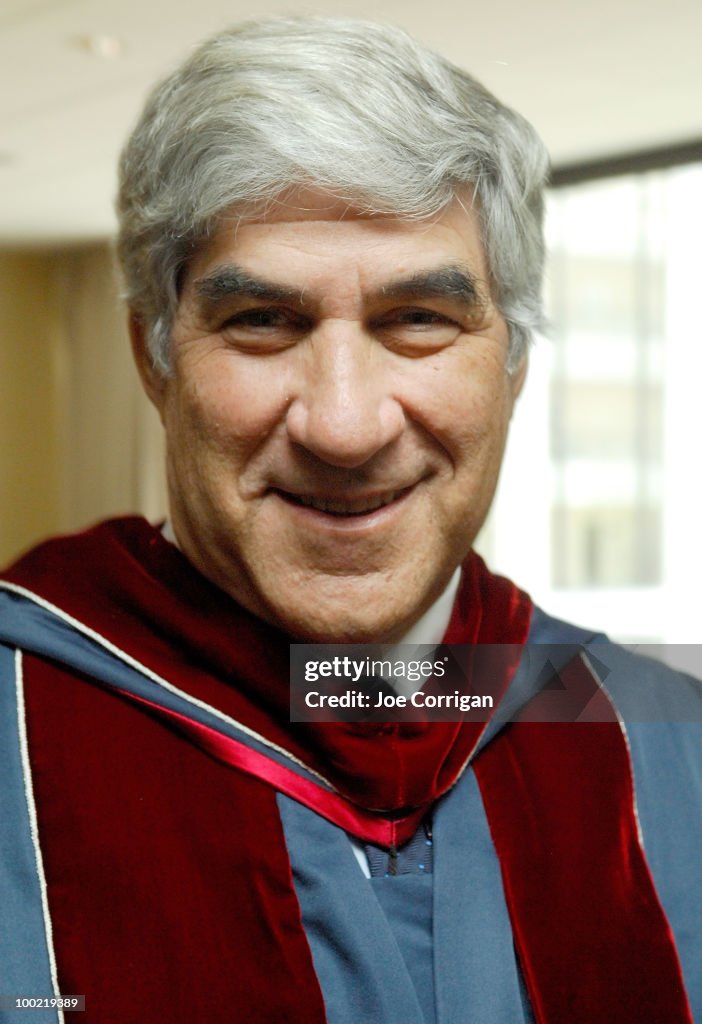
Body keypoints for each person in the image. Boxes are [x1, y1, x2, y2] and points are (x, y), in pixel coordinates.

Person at [0, 16, 700, 1024]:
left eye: (419, 320)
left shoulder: (663, 746)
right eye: (262, 321)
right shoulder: (24, 723)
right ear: (153, 359)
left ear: (514, 365)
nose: (343, 424)